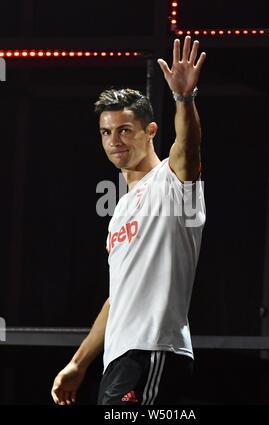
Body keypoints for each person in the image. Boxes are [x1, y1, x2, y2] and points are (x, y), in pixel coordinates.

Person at [51, 36, 206, 405]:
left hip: (153, 352)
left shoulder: (172, 181)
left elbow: (188, 147)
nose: (114, 140)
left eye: (124, 130)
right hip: (121, 360)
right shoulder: (120, 210)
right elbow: (117, 298)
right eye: (106, 132)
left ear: (150, 131)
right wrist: (78, 363)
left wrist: (183, 99)